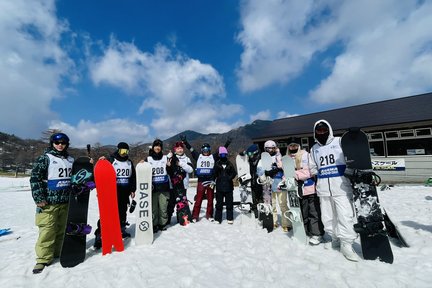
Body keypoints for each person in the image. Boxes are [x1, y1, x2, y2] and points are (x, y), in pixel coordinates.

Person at [309, 120, 360, 261]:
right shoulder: (314, 149)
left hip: (341, 187)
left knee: (345, 215)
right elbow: (313, 168)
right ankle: (334, 238)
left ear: (329, 130)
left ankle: (347, 244)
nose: (321, 133)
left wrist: (353, 137)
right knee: (328, 216)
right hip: (324, 188)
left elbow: (351, 158)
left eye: (324, 130)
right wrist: (319, 175)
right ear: (315, 133)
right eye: (318, 131)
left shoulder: (339, 142)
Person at [30, 132, 74, 274]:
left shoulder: (70, 160)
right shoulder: (45, 158)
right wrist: (39, 198)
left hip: (65, 201)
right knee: (47, 231)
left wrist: (88, 164)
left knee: (61, 229)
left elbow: (78, 176)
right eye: (57, 142)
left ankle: (58, 252)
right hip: (49, 202)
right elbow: (35, 179)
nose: (60, 145)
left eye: (63, 142)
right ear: (52, 143)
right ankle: (43, 259)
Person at [93, 142, 136, 249]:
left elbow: (133, 177)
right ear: (118, 150)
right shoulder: (111, 160)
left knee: (122, 212)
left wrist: (132, 189)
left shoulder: (129, 162)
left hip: (124, 192)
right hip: (111, 192)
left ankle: (121, 230)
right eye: (122, 151)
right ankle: (100, 235)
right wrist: (102, 161)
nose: (124, 153)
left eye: (126, 151)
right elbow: (102, 171)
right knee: (107, 214)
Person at [181, 135, 231, 222]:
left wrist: (227, 143)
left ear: (209, 150)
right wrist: (185, 142)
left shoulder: (213, 157)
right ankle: (195, 216)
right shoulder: (198, 156)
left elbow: (221, 151)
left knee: (210, 199)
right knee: (199, 199)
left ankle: (209, 215)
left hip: (210, 181)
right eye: (204, 150)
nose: (205, 151)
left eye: (207, 149)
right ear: (201, 150)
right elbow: (191, 149)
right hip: (201, 181)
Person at [287, 138, 324, 245]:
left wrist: (297, 175)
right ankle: (305, 231)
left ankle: (317, 233)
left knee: (313, 211)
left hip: (310, 188)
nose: (293, 148)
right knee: (302, 212)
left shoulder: (306, 155)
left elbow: (311, 171)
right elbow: (287, 173)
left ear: (298, 146)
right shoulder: (287, 158)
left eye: (294, 145)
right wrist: (285, 181)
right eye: (291, 146)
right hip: (297, 190)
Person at [264, 140, 292, 232]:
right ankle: (274, 222)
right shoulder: (264, 158)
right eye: (268, 148)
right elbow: (263, 171)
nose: (270, 150)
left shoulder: (279, 157)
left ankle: (286, 223)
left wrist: (280, 167)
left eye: (272, 148)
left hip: (280, 182)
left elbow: (285, 167)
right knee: (273, 205)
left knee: (283, 204)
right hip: (269, 184)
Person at [166, 142, 194, 225]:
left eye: (181, 148)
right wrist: (168, 160)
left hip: (183, 185)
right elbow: (167, 169)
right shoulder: (171, 157)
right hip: (172, 185)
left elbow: (190, 170)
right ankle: (167, 220)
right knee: (171, 203)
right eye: (178, 148)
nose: (180, 150)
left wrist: (180, 164)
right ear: (175, 149)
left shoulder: (187, 159)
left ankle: (181, 218)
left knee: (182, 203)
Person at [147, 139, 171, 232]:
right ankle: (154, 224)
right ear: (153, 147)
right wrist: (142, 164)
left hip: (164, 187)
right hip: (153, 188)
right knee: (154, 209)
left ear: (161, 148)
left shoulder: (165, 158)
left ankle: (162, 223)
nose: (157, 147)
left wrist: (169, 166)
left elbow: (171, 171)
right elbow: (143, 170)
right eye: (156, 146)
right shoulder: (148, 159)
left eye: (159, 146)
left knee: (163, 207)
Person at [213, 147, 237, 224]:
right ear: (219, 155)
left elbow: (234, 173)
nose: (223, 155)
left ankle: (229, 218)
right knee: (219, 204)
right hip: (219, 187)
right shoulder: (217, 164)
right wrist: (217, 178)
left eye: (224, 154)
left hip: (229, 187)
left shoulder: (230, 163)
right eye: (221, 154)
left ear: (226, 154)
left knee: (229, 204)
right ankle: (217, 219)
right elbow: (214, 173)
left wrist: (229, 178)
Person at [241, 144, 263, 218]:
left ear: (255, 152)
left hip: (261, 184)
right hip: (253, 183)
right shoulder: (250, 161)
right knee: (253, 199)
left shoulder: (260, 160)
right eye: (248, 154)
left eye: (250, 154)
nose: (249, 156)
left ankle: (262, 214)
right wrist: (243, 154)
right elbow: (245, 153)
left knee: (260, 199)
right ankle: (256, 213)